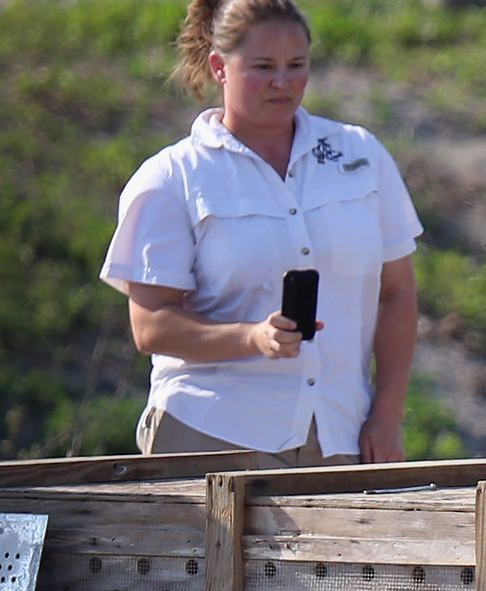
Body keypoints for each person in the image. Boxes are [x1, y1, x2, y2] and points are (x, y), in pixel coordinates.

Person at [100, 0, 421, 468]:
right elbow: (151, 326)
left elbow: (397, 294)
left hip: (337, 437)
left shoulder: (360, 155)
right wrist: (251, 338)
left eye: (297, 66)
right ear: (219, 68)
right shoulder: (171, 177)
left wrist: (387, 416)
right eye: (263, 67)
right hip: (210, 431)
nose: (282, 82)